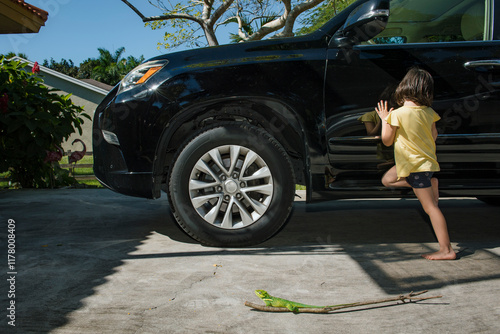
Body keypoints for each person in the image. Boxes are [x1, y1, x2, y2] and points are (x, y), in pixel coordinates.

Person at [375, 67, 456, 260]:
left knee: (431, 209)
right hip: (425, 165)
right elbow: (434, 136)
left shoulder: (398, 114)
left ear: (404, 88)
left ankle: (447, 250)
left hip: (415, 168)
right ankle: (431, 184)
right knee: (388, 179)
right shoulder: (430, 113)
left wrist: (385, 120)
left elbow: (386, 140)